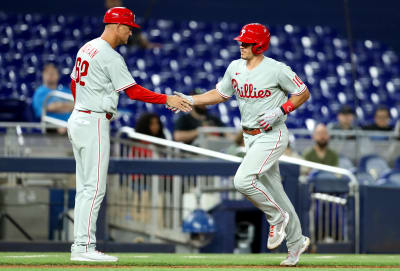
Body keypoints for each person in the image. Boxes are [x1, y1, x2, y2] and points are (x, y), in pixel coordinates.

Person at [173, 23, 311, 266]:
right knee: (277, 193)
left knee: (243, 180)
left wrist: (282, 109)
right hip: (249, 136)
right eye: (241, 41)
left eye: (246, 42)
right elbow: (219, 94)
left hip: (272, 133)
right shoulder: (235, 67)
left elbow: (302, 92)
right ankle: (296, 241)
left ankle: (276, 217)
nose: (241, 45)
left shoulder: (276, 69)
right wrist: (191, 99)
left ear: (259, 44)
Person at [67, 7, 191, 262]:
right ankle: (84, 247)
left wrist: (84, 105)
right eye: (128, 27)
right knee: (94, 188)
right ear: (115, 26)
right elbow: (133, 92)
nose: (130, 32)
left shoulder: (87, 47)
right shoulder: (108, 55)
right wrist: (167, 98)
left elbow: (73, 83)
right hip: (92, 121)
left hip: (79, 116)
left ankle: (79, 245)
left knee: (84, 188)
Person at [32, 63, 74, 135]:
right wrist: (67, 106)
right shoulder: (40, 92)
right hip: (51, 127)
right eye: (48, 73)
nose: (51, 75)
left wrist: (59, 106)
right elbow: (48, 108)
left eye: (53, 73)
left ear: (57, 75)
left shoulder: (66, 91)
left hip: (71, 125)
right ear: (43, 75)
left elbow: (76, 105)